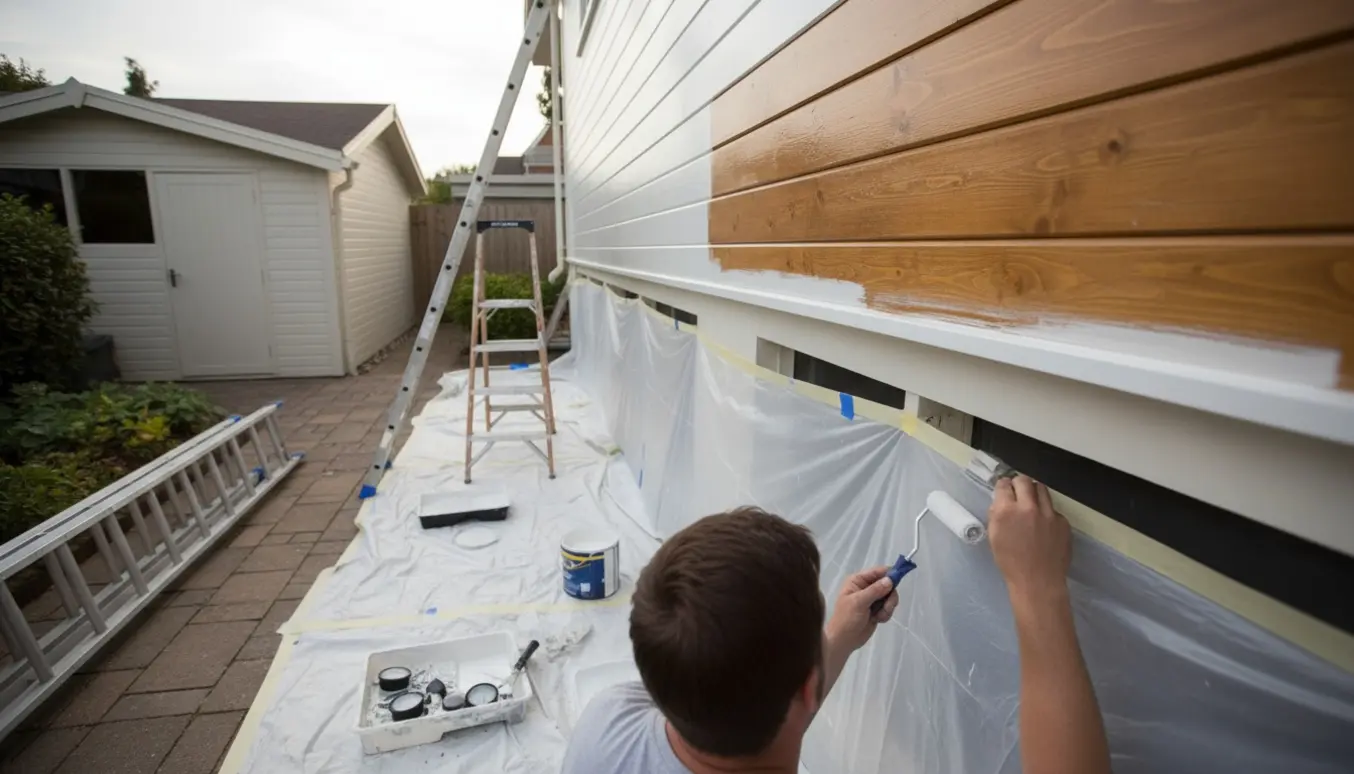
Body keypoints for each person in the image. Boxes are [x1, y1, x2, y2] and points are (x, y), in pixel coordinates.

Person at [561, 475, 1111, 774]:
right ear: (808, 688)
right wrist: (1036, 588)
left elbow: (745, 710)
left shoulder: (606, 725)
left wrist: (837, 640)